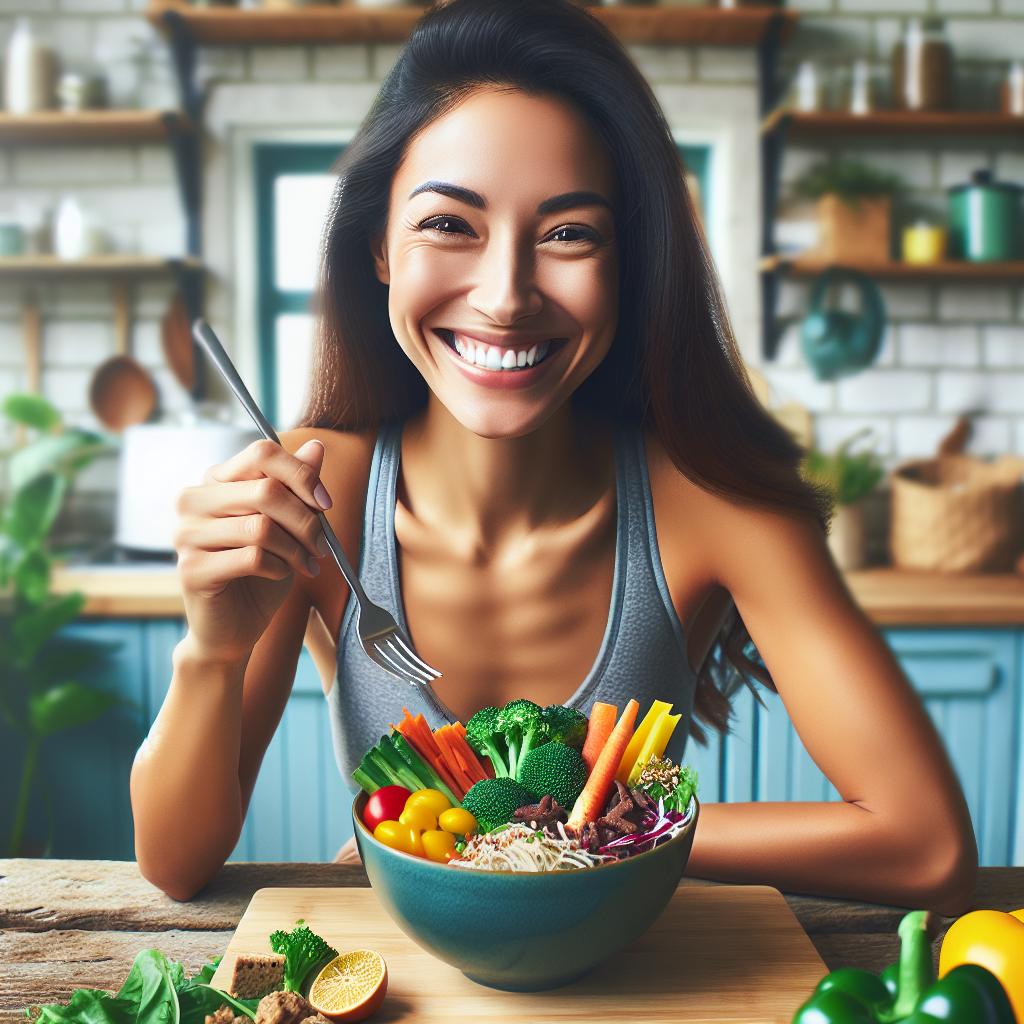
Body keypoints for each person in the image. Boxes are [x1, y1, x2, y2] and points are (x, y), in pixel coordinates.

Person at [131, 0, 976, 910]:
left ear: (628, 265)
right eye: (449, 224)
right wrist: (211, 653)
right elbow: (176, 864)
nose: (505, 297)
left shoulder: (714, 504)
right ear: (379, 247)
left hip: (640, 974)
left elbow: (925, 845)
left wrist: (568, 835)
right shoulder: (315, 491)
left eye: (570, 233)